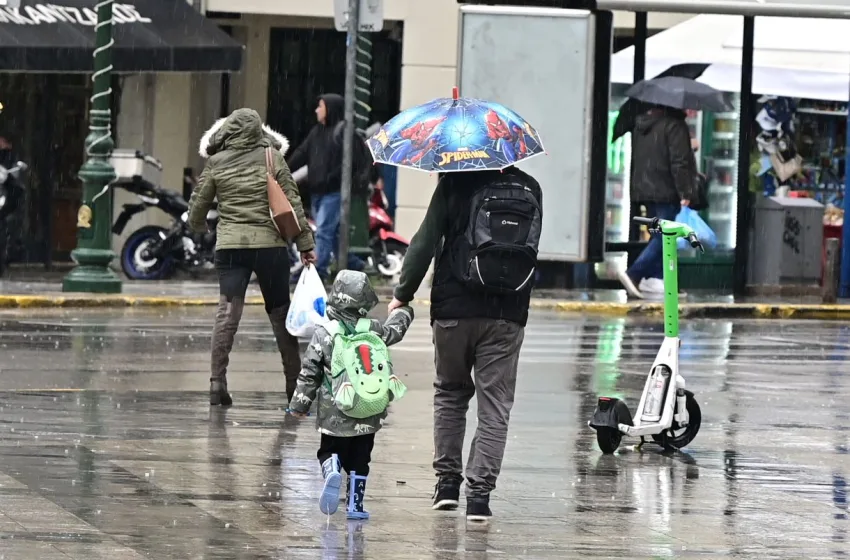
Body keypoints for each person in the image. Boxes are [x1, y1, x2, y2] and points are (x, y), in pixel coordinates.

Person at [388, 165, 542, 522]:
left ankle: (446, 485)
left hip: (454, 309)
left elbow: (424, 243)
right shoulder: (530, 187)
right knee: (495, 405)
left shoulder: (455, 183)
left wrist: (403, 294)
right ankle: (479, 497)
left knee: (450, 393)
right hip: (507, 311)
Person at [189, 108, 316, 407]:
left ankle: (216, 381)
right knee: (280, 314)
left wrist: (201, 227)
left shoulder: (216, 162)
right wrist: (304, 244)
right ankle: (293, 385)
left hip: (231, 248)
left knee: (227, 314)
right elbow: (293, 203)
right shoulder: (272, 158)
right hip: (270, 248)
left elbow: (198, 206)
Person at [289, 270, 413, 520]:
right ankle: (355, 505)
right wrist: (405, 310)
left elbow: (309, 373)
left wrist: (299, 405)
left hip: (335, 412)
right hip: (369, 411)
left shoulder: (325, 333)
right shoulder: (372, 329)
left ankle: (332, 467)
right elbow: (395, 330)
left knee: (329, 451)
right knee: (361, 459)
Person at [618, 105, 697, 298]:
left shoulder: (642, 125)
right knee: (665, 235)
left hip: (645, 189)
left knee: (659, 234)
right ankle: (634, 273)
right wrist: (685, 192)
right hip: (666, 190)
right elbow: (679, 162)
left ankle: (657, 279)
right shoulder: (675, 126)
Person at [286, 94, 365, 280]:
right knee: (333, 234)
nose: (316, 110)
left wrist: (331, 179)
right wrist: (283, 169)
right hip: (317, 192)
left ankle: (317, 271)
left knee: (323, 231)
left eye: (320, 106)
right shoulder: (317, 132)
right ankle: (354, 264)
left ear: (330, 108)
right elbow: (302, 152)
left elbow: (351, 162)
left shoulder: (344, 132)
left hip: (334, 192)